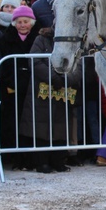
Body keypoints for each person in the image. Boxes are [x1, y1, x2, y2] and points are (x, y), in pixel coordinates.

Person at [19, 26, 82, 173]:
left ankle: (58, 161)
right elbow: (34, 61)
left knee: (61, 126)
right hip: (42, 91)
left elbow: (79, 65)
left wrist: (66, 79)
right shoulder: (41, 39)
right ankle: (41, 162)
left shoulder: (74, 43)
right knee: (41, 127)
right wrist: (53, 78)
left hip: (63, 91)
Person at [0, 5, 41, 170]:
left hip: (33, 87)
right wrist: (10, 81)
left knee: (31, 124)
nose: (22, 25)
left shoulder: (37, 38)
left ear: (31, 22)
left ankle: (32, 158)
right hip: (13, 87)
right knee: (13, 123)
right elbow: (4, 64)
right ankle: (17, 158)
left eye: (25, 22)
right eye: (19, 22)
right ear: (14, 23)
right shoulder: (5, 39)